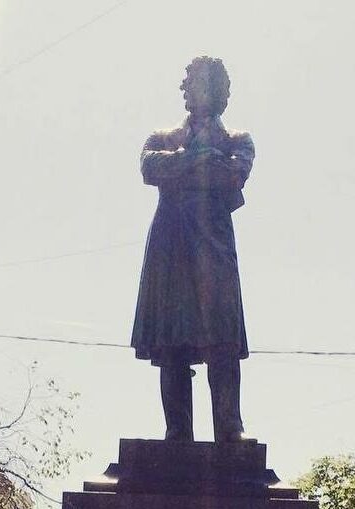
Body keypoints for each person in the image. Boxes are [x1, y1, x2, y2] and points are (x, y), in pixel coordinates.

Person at [131, 55, 254, 443]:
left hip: (214, 246)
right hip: (170, 246)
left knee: (222, 337)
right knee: (172, 340)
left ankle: (229, 428)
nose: (184, 87)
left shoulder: (238, 140)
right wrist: (197, 158)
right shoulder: (162, 137)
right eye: (184, 80)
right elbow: (149, 167)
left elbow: (232, 174)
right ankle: (177, 430)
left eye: (193, 80)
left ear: (214, 87)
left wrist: (183, 167)